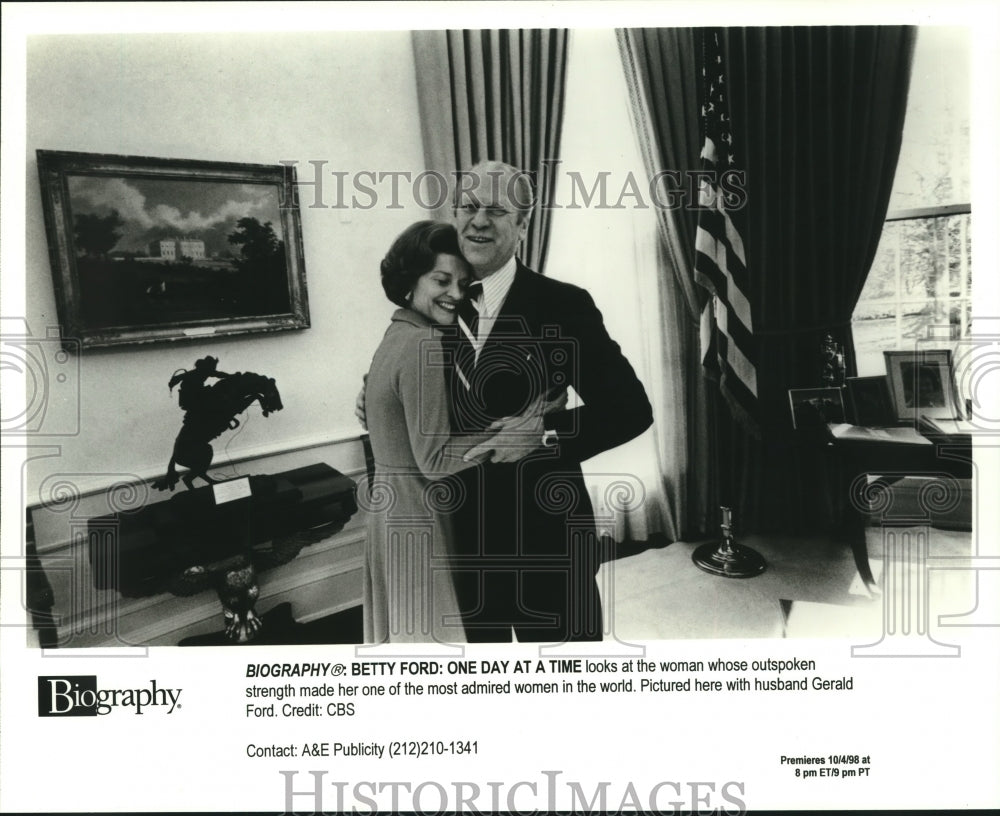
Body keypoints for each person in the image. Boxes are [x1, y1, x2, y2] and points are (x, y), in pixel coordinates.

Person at [359, 161, 653, 642]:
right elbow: (411, 387)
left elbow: (632, 410)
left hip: (548, 539)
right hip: (460, 544)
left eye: (496, 210)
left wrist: (544, 433)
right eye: (469, 207)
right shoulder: (437, 305)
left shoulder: (564, 305)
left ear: (523, 223)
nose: (478, 221)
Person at [361, 220, 561, 644]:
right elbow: (434, 462)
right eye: (441, 280)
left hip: (390, 509)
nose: (455, 293)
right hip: (418, 513)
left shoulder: (398, 331)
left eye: (463, 282)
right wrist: (515, 431)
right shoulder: (423, 344)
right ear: (408, 280)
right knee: (434, 647)